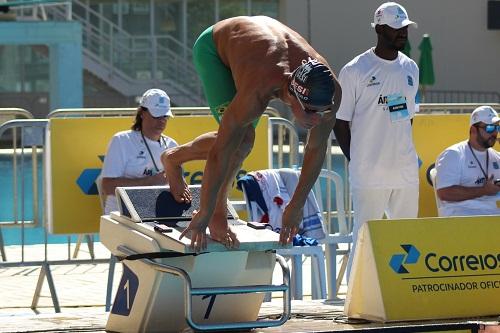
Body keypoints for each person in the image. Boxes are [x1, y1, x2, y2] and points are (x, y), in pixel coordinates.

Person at [161, 16, 341, 251]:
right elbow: (220, 152)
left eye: (323, 111)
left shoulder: (331, 91)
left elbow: (316, 149)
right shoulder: (258, 90)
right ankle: (180, 168)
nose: (317, 119)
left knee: (241, 139)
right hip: (215, 49)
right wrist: (205, 211)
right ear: (293, 95)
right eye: (310, 111)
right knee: (241, 141)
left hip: (259, 46)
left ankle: (173, 157)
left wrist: (295, 207)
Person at [333, 2, 419, 280]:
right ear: (380, 29)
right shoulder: (355, 69)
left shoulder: (411, 68)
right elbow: (340, 122)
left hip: (405, 171)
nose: (403, 33)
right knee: (365, 238)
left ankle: (404, 293)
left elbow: (406, 118)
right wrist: (357, 159)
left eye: (405, 28)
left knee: (407, 239)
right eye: (397, 28)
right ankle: (357, 303)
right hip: (368, 171)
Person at [101, 88, 178, 214]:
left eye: (165, 115)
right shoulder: (121, 140)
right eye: (156, 115)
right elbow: (107, 187)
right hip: (121, 215)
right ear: (142, 113)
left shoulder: (172, 144)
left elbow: (180, 185)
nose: (162, 120)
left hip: (158, 214)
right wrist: (150, 182)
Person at [435, 106, 500, 216]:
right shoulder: (454, 154)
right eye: (489, 128)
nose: (494, 133)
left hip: (491, 216)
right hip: (462, 216)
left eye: (497, 128)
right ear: (474, 130)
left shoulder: (497, 157)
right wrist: (484, 190)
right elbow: (444, 193)